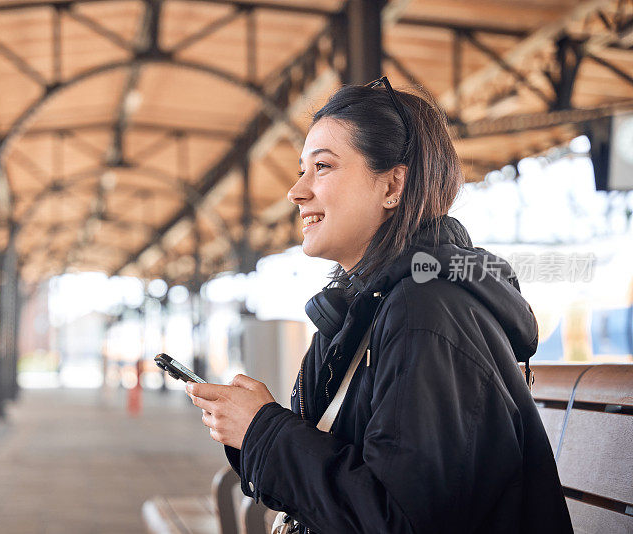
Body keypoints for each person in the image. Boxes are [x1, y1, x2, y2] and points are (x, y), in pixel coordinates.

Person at [186, 78, 573, 533]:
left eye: (323, 167)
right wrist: (253, 433)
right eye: (300, 170)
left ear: (392, 184)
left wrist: (262, 432)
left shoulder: (425, 311)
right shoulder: (364, 306)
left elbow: (398, 520)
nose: (296, 192)